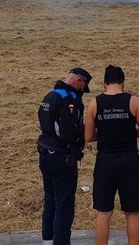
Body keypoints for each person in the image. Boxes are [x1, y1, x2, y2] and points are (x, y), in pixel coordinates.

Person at [85, 65, 139, 245]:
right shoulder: (134, 101)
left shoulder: (94, 103)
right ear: (123, 83)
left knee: (103, 212)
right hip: (129, 160)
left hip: (105, 161)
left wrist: (107, 133)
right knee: (132, 212)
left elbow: (88, 136)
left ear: (104, 84)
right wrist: (129, 132)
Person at [37, 67, 92, 245]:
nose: (82, 92)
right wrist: (82, 136)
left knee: (50, 201)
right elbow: (69, 132)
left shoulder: (51, 95)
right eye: (83, 88)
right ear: (78, 82)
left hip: (45, 153)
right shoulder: (70, 100)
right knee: (64, 205)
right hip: (62, 157)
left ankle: (48, 240)